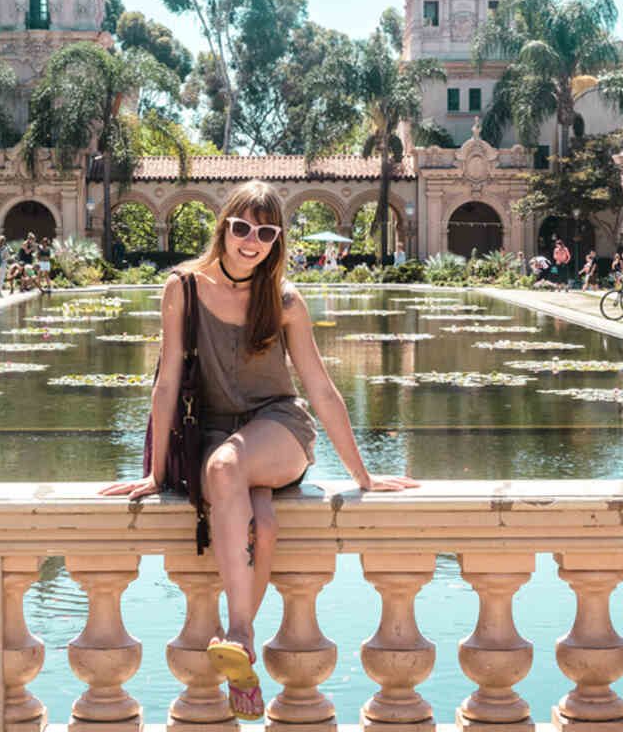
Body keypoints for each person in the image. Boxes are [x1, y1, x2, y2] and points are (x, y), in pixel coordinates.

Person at [99, 180, 417, 721]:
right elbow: (167, 381)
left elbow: (320, 389)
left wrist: (364, 477)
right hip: (213, 430)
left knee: (228, 468)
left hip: (277, 429)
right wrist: (153, 472)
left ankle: (239, 631)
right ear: (224, 226)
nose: (252, 240)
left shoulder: (285, 300)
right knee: (262, 525)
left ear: (276, 240)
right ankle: (243, 664)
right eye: (242, 227)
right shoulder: (183, 289)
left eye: (265, 232)